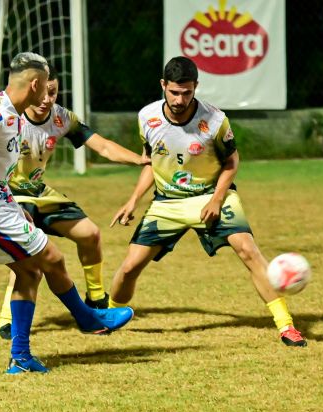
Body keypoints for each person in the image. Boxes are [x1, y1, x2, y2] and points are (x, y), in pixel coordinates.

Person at [0, 52, 134, 374]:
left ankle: (21, 358)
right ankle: (88, 318)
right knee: (52, 259)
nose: (49, 95)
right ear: (35, 84)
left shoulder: (12, 111)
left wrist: (15, 207)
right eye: (47, 87)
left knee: (30, 272)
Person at [109, 56, 307, 347]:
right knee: (128, 269)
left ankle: (286, 326)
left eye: (187, 92)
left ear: (196, 87)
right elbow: (153, 161)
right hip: (168, 202)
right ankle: (109, 316)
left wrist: (216, 199)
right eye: (174, 92)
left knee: (247, 249)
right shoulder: (147, 117)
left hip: (212, 194)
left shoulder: (214, 120)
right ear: (163, 85)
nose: (179, 99)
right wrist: (133, 200)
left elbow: (231, 161)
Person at [0, 65, 148, 339]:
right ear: (31, 87)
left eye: (54, 92)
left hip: (38, 192)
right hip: (8, 196)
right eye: (43, 92)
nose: (47, 100)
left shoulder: (62, 118)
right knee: (27, 259)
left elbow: (104, 146)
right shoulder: (5, 115)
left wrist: (140, 159)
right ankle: (5, 322)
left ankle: (96, 300)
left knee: (90, 234)